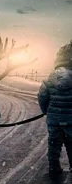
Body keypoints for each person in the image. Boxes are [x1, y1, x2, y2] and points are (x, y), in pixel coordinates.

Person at [38, 40, 72, 175]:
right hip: (71, 121)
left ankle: (54, 167)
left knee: (53, 144)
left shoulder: (49, 78)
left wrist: (46, 111)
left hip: (54, 120)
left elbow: (42, 97)